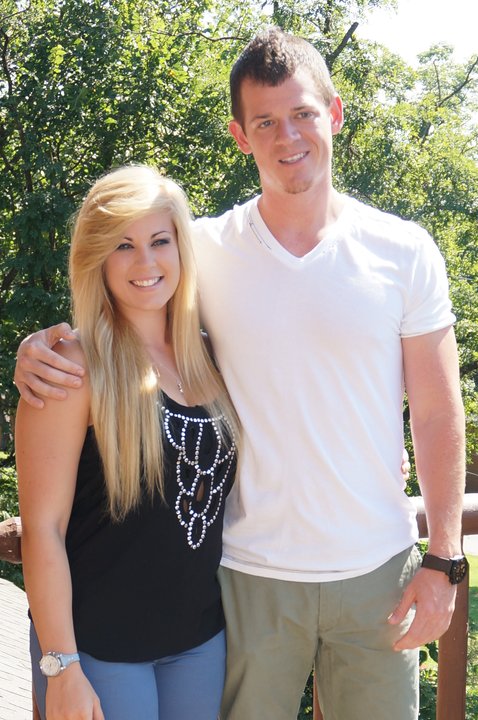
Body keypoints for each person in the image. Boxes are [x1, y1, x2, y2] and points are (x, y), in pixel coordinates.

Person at [15, 28, 466, 720]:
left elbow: (437, 413)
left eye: (303, 113)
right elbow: (127, 291)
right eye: (265, 122)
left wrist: (444, 559)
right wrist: (44, 346)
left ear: (334, 113)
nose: (288, 136)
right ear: (240, 135)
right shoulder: (204, 249)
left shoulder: (404, 251)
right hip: (247, 579)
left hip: (376, 572)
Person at [15, 165, 239, 720]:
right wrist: (61, 666)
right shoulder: (70, 368)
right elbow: (43, 529)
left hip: (198, 642)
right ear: (97, 257)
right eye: (123, 245)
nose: (145, 262)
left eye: (159, 241)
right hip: (97, 650)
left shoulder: (210, 355)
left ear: (181, 248)